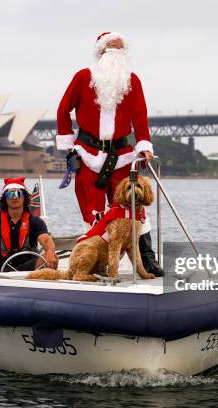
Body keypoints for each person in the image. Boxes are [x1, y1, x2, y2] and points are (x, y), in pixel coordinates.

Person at [56, 31, 163, 276]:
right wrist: (69, 144)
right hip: (88, 154)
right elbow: (63, 109)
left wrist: (144, 146)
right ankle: (96, 261)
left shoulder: (132, 81)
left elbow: (140, 116)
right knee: (91, 211)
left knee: (133, 208)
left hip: (122, 156)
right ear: (101, 52)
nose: (115, 51)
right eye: (110, 47)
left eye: (120, 47)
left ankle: (146, 260)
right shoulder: (83, 77)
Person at [0, 177, 58, 274]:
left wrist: (51, 252)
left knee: (52, 257)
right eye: (10, 194)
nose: (14, 197)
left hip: (28, 270)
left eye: (18, 193)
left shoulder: (35, 221)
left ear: (24, 197)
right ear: (5, 198)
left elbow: (46, 239)